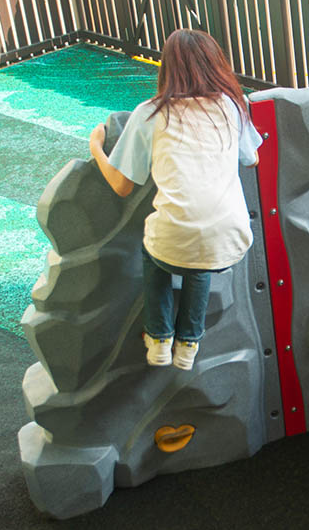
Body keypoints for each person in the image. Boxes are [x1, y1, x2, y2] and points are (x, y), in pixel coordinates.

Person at [89, 29, 263, 370]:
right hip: (231, 239)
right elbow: (252, 159)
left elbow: (123, 186)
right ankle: (189, 345)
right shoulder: (230, 105)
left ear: (167, 67)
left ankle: (159, 338)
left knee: (159, 253)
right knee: (200, 260)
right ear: (215, 64)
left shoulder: (151, 113)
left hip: (173, 243)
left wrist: (96, 148)